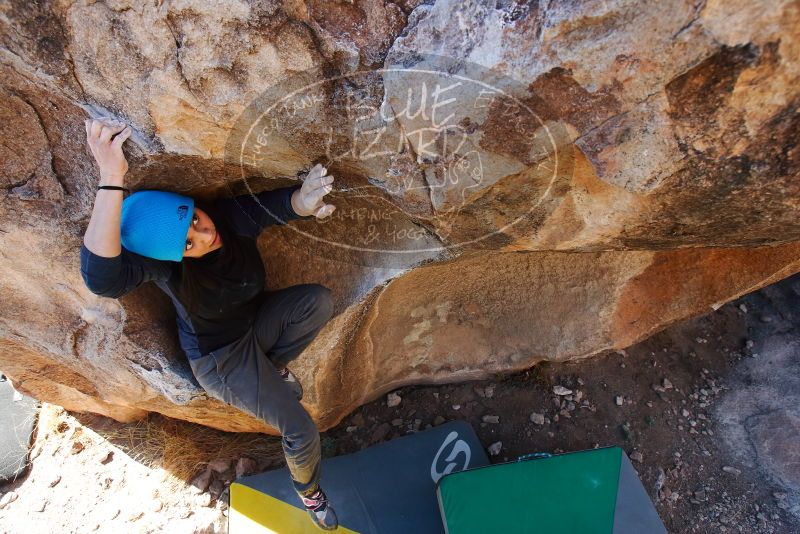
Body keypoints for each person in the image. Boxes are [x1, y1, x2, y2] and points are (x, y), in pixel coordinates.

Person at [79, 117, 339, 530]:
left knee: (316, 301)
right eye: (187, 242)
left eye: (194, 218)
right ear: (173, 255)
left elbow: (272, 207)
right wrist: (112, 176)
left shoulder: (224, 221)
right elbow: (101, 278)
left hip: (255, 326)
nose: (204, 234)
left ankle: (271, 368)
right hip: (222, 362)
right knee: (301, 430)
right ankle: (310, 494)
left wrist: (302, 202)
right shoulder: (166, 269)